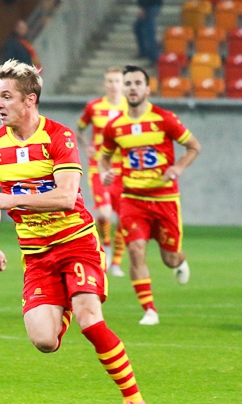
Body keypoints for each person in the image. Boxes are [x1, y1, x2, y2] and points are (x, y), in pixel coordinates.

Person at [0, 59, 150, 404]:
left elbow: (67, 197)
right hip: (36, 255)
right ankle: (66, 301)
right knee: (45, 341)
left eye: (6, 97)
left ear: (30, 100)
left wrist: (13, 199)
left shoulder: (59, 137)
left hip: (76, 243)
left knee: (91, 320)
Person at [99, 65, 201, 326]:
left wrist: (178, 168)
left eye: (137, 83)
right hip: (132, 199)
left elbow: (193, 146)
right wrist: (106, 173)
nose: (132, 88)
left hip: (165, 200)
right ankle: (150, 310)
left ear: (147, 89)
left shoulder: (164, 119)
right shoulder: (114, 126)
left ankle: (179, 261)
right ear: (123, 89)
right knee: (135, 250)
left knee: (170, 258)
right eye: (128, 83)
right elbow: (104, 157)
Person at [77, 67, 128, 277]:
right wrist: (86, 145)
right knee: (104, 214)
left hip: (123, 169)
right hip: (99, 167)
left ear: (123, 84)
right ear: (104, 84)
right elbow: (80, 128)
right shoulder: (94, 107)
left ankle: (116, 263)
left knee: (124, 218)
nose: (114, 85)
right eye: (110, 81)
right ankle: (106, 248)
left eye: (118, 81)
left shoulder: (132, 108)